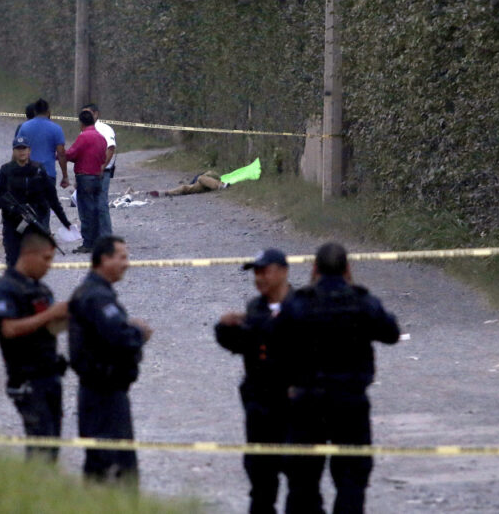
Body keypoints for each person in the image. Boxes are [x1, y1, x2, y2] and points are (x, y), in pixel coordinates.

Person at [271, 242, 400, 514]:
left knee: (303, 481)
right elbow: (391, 333)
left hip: (307, 402)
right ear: (348, 269)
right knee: (352, 479)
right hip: (350, 401)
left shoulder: (299, 303)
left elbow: (275, 343)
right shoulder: (362, 301)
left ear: (314, 268)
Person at [68, 236, 152, 485]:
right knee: (113, 472)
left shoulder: (96, 292)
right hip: (103, 395)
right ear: (104, 259)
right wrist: (138, 332)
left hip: (105, 393)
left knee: (105, 470)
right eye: (122, 257)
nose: (127, 263)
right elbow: (119, 337)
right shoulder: (96, 297)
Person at [215, 248, 293, 514]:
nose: (259, 278)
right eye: (255, 272)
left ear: (283, 272)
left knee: (302, 486)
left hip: (295, 409)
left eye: (264, 271)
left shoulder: (302, 307)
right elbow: (242, 345)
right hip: (260, 406)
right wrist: (225, 329)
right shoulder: (255, 308)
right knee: (261, 484)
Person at [0, 228, 70, 462]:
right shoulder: (5, 289)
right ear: (28, 254)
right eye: (46, 259)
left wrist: (69, 317)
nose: (49, 265)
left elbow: (49, 328)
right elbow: (9, 329)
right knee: (40, 450)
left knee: (51, 447)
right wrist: (50, 314)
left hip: (50, 375)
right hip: (27, 379)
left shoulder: (41, 290)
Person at [0, 136, 72, 268]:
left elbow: (52, 198)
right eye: (18, 149)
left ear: (29, 151)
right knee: (13, 259)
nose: (21, 152)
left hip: (35, 223)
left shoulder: (38, 170)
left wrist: (65, 221)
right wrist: (10, 207)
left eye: (24, 148)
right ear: (13, 151)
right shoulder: (6, 170)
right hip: (12, 223)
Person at [65, 109, 107, 254]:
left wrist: (58, 154)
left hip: (85, 177)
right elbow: (103, 158)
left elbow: (71, 154)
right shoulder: (101, 138)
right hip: (97, 177)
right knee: (95, 210)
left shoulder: (84, 137)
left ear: (81, 122)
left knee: (86, 212)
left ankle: (88, 243)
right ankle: (97, 241)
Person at [14, 98, 69, 190]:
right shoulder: (56, 129)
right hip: (48, 173)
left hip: (29, 173)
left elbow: (17, 150)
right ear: (48, 112)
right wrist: (65, 176)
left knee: (30, 202)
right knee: (47, 202)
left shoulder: (24, 127)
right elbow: (61, 154)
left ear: (35, 111)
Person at [82, 103, 116, 239]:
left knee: (101, 204)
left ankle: (106, 235)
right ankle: (93, 235)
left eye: (89, 113)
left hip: (102, 172)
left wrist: (103, 166)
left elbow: (111, 148)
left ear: (96, 114)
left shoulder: (105, 129)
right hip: (88, 173)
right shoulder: (84, 129)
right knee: (89, 205)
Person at [154, 170, 226, 197]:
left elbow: (216, 176)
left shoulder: (209, 173)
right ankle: (166, 193)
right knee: (184, 187)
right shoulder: (199, 178)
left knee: (201, 178)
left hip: (212, 180)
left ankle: (220, 186)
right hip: (201, 184)